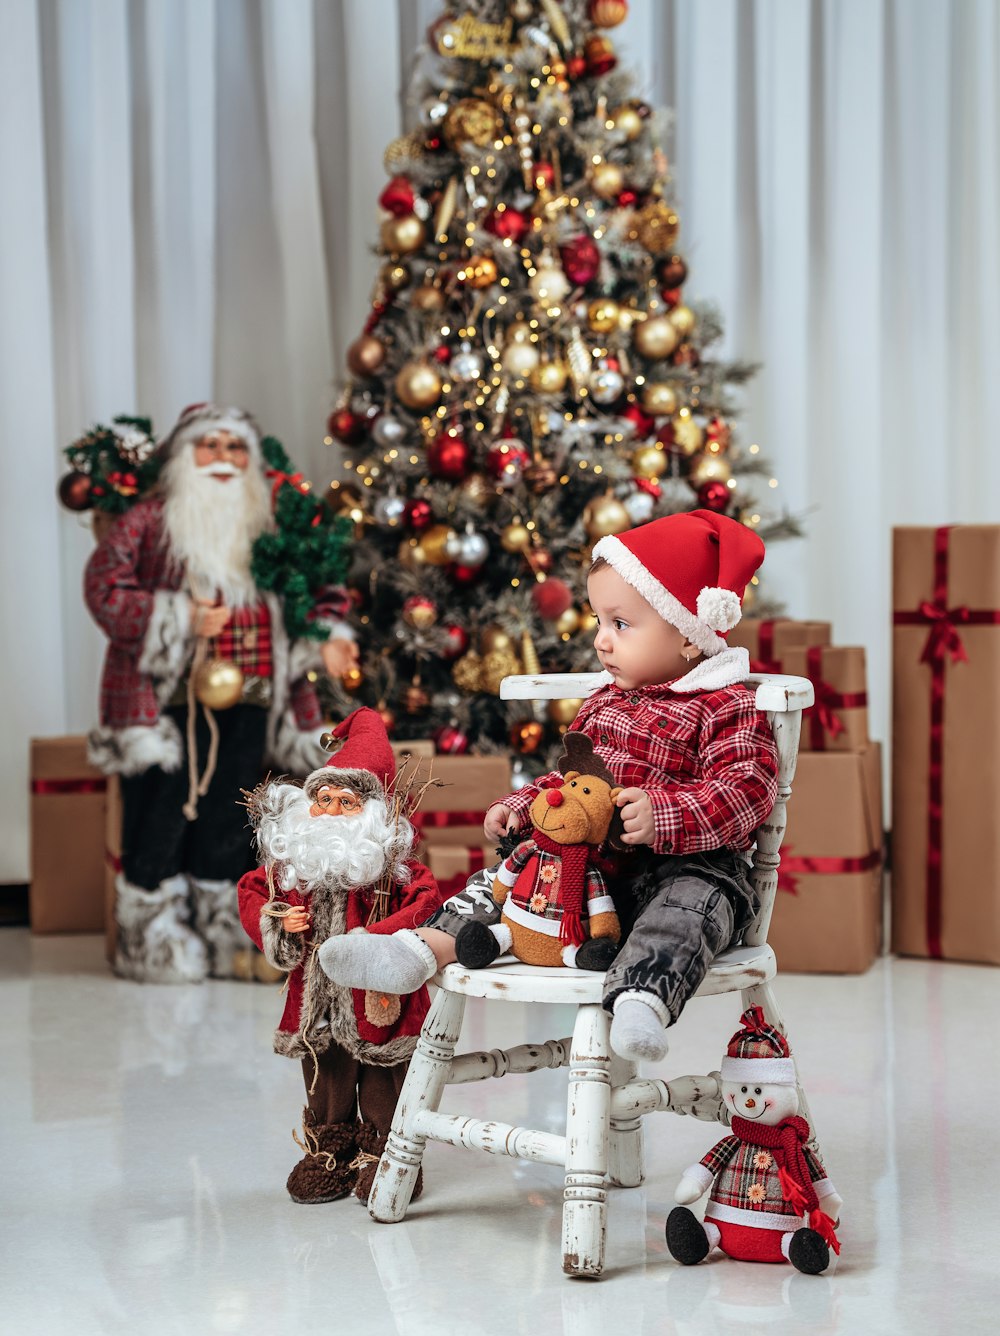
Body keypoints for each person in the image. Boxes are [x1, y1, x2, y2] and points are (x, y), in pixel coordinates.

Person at [320, 510, 779, 1065]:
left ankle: (643, 997)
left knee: (691, 905)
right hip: (585, 883)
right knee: (501, 877)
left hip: (679, 871)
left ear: (688, 631)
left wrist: (665, 814)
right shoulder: (605, 702)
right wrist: (522, 805)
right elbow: (568, 782)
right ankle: (418, 950)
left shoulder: (725, 705)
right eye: (599, 622)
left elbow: (747, 790)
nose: (602, 642)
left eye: (621, 624)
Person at [85, 402, 358, 984]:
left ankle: (220, 928)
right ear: (184, 455)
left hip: (256, 694)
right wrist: (178, 615)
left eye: (236, 448)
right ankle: (150, 935)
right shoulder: (151, 519)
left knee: (231, 813)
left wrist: (328, 639)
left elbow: (323, 580)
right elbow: (105, 585)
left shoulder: (272, 520)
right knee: (161, 807)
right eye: (210, 446)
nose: (224, 459)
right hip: (164, 699)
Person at [237, 708, 448, 1205]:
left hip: (375, 996)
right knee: (324, 1070)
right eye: (322, 799)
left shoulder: (390, 871)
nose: (330, 811)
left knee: (381, 1074)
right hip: (317, 1001)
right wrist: (276, 919)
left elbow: (426, 902)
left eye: (345, 802)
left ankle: (385, 1154)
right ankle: (327, 1151)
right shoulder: (295, 869)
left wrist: (381, 941)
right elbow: (253, 892)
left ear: (372, 813)